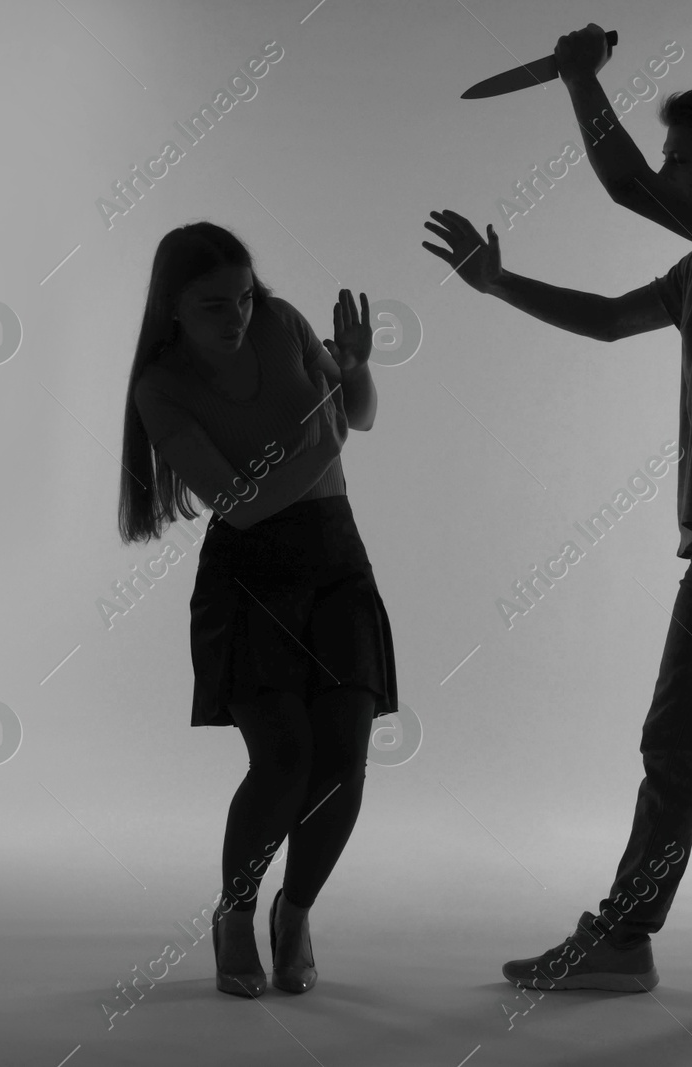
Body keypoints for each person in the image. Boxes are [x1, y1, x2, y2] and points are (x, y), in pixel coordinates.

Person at [422, 25, 692, 1012]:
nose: (667, 176)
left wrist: (577, 80)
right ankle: (623, 939)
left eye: (683, 161)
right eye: (667, 160)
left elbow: (626, 189)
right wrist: (496, 283)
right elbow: (612, 318)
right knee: (671, 745)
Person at [117, 222, 398, 999]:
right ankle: (235, 913)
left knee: (342, 762)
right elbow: (240, 506)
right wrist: (321, 437)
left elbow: (360, 416)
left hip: (336, 555)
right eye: (213, 306)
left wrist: (357, 372)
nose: (236, 316)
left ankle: (294, 912)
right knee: (283, 760)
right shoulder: (161, 386)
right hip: (251, 573)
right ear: (171, 308)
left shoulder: (281, 321)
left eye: (242, 297)